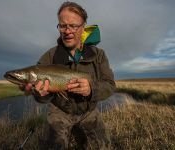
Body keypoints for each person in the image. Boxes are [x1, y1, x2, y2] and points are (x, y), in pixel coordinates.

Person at [22, 1, 115, 150]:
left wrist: (92, 89)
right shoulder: (48, 57)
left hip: (89, 111)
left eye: (73, 26)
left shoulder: (99, 55)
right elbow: (40, 96)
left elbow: (110, 85)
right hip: (60, 111)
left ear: (83, 26)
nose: (67, 31)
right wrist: (41, 94)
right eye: (63, 25)